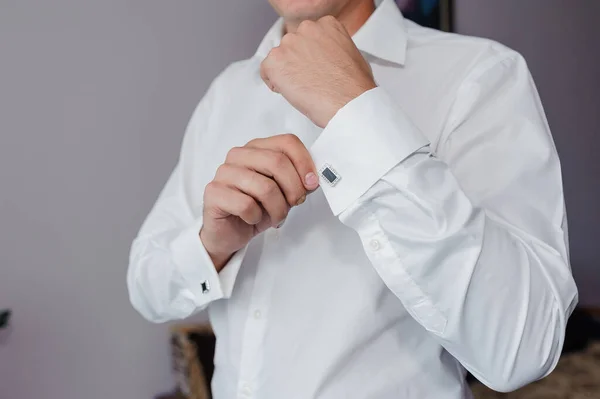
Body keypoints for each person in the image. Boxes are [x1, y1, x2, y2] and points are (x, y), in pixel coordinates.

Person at [127, 0, 578, 397]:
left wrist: (358, 111)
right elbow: (149, 289)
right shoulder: (227, 92)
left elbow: (523, 347)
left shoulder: (479, 75)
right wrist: (213, 246)